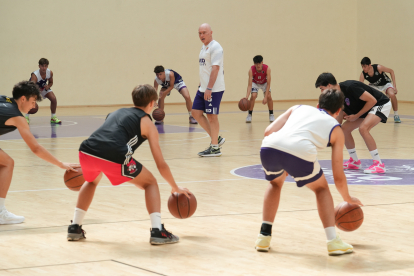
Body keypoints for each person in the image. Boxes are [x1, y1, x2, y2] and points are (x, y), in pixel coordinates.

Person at [67, 84, 192, 245]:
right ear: (151, 104)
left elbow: (108, 138)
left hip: (86, 151)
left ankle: (75, 227)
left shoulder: (116, 112)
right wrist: (175, 187)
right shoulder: (147, 123)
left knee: (91, 181)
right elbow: (161, 164)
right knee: (151, 183)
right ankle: (157, 230)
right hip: (114, 155)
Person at [255, 89, 363, 256]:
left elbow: (268, 131)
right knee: (321, 189)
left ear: (318, 104)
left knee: (275, 183)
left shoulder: (297, 107)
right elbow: (338, 175)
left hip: (269, 147)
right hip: (300, 150)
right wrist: (347, 197)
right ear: (337, 112)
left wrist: (285, 158)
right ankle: (333, 241)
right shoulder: (336, 128)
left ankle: (263, 236)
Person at [0, 81, 78, 225]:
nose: (34, 106)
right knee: (7, 163)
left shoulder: (4, 99)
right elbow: (36, 148)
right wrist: (60, 164)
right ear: (23, 99)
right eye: (33, 101)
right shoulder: (17, 117)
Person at [315, 73, 391, 174]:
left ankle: (379, 164)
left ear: (329, 85)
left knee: (363, 129)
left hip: (380, 103)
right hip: (365, 109)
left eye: (322, 88)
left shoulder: (350, 87)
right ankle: (355, 162)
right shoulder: (336, 97)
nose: (321, 92)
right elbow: (339, 119)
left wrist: (356, 116)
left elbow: (372, 101)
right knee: (344, 130)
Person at [191, 23, 226, 157]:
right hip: (203, 88)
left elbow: (215, 68)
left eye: (204, 32)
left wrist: (209, 87)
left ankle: (215, 147)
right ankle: (216, 138)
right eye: (199, 33)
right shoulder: (204, 47)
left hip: (214, 89)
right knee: (195, 112)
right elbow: (205, 67)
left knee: (212, 117)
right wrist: (202, 83)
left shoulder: (216, 47)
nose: (201, 35)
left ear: (211, 32)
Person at [360, 57, 401, 123]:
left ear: (369, 65)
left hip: (385, 84)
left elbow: (391, 71)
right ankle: (367, 114)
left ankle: (396, 115)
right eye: (362, 66)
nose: (363, 68)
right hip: (374, 85)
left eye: (365, 66)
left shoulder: (378, 67)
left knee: (392, 94)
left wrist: (394, 86)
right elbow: (360, 86)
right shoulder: (363, 74)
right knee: (367, 95)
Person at [27, 58, 62, 124]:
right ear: (39, 66)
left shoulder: (50, 72)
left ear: (47, 66)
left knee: (53, 99)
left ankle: (53, 117)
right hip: (33, 89)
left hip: (43, 87)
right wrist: (37, 90)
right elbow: (32, 86)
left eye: (45, 66)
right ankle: (26, 118)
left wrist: (48, 86)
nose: (44, 68)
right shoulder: (35, 75)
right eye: (42, 66)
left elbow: (51, 82)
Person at [245, 55, 274, 123]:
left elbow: (268, 84)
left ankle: (271, 114)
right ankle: (249, 114)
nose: (258, 65)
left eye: (259, 63)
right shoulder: (251, 70)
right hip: (255, 83)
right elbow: (249, 85)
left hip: (264, 83)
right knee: (253, 96)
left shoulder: (267, 69)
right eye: (256, 63)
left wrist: (265, 97)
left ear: (262, 62)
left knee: (269, 96)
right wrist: (246, 97)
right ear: (254, 64)